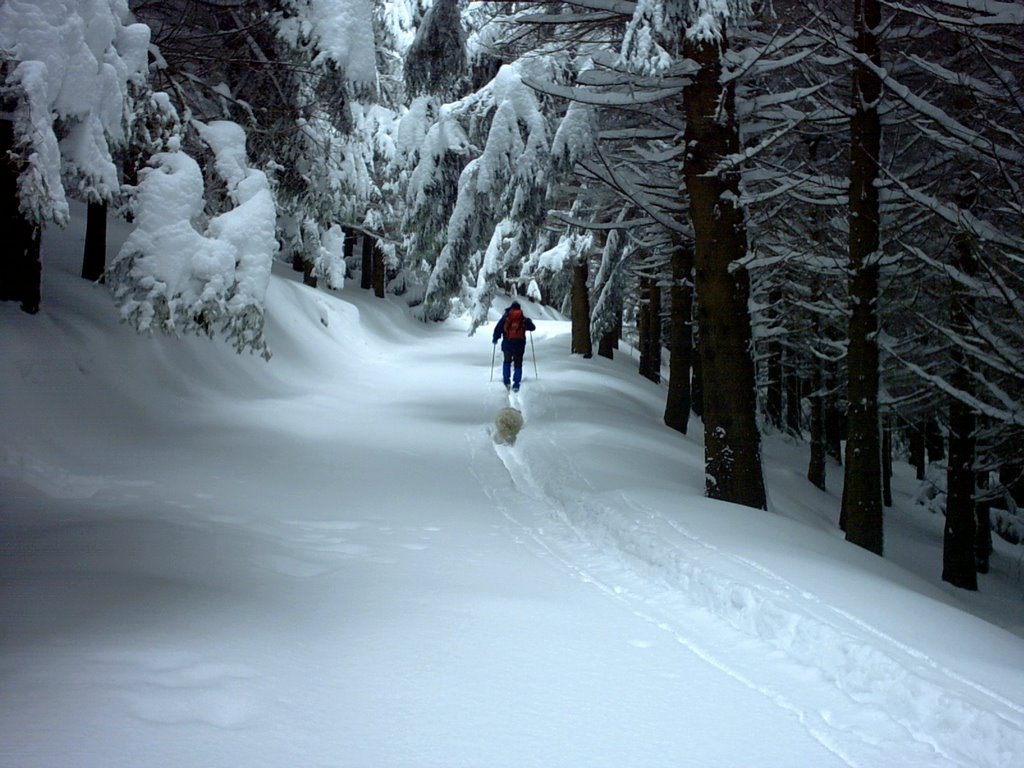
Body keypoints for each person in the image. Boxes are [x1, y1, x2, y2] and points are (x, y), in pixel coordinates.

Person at [492, 301, 536, 392]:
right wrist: (529, 321)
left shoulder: (506, 317)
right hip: (519, 345)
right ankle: (516, 384)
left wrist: (495, 338)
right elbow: (532, 328)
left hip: (507, 344)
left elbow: (498, 328)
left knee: (507, 362)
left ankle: (506, 381)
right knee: (518, 364)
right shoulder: (523, 319)